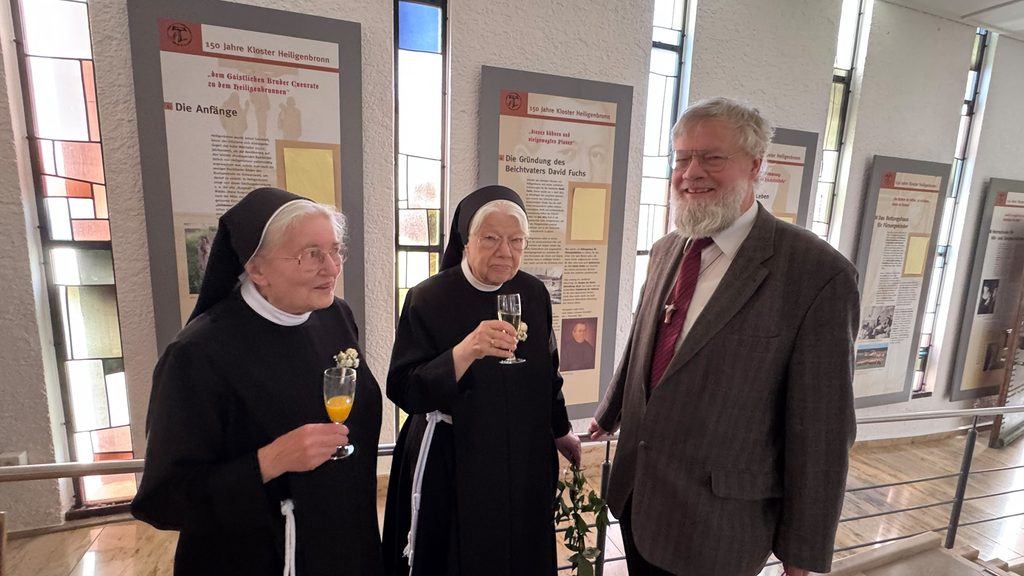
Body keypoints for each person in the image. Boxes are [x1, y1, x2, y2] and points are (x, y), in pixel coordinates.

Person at [589, 98, 859, 575]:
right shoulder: (667, 250)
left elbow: (823, 430)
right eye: (681, 159)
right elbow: (643, 343)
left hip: (719, 523)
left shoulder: (816, 274)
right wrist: (609, 412)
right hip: (639, 497)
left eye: (712, 158)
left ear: (755, 165)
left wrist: (802, 551)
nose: (691, 173)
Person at [132, 187, 383, 575]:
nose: (332, 268)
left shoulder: (336, 315)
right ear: (256, 269)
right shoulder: (197, 354)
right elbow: (165, 499)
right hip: (255, 556)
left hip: (342, 540)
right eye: (310, 254)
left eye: (335, 250)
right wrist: (268, 461)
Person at [382, 185, 582, 576]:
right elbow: (404, 388)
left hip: (523, 455)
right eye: (491, 238)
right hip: (456, 457)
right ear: (465, 241)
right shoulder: (428, 298)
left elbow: (548, 371)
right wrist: (465, 351)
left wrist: (561, 431)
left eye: (516, 240)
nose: (505, 252)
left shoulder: (533, 292)